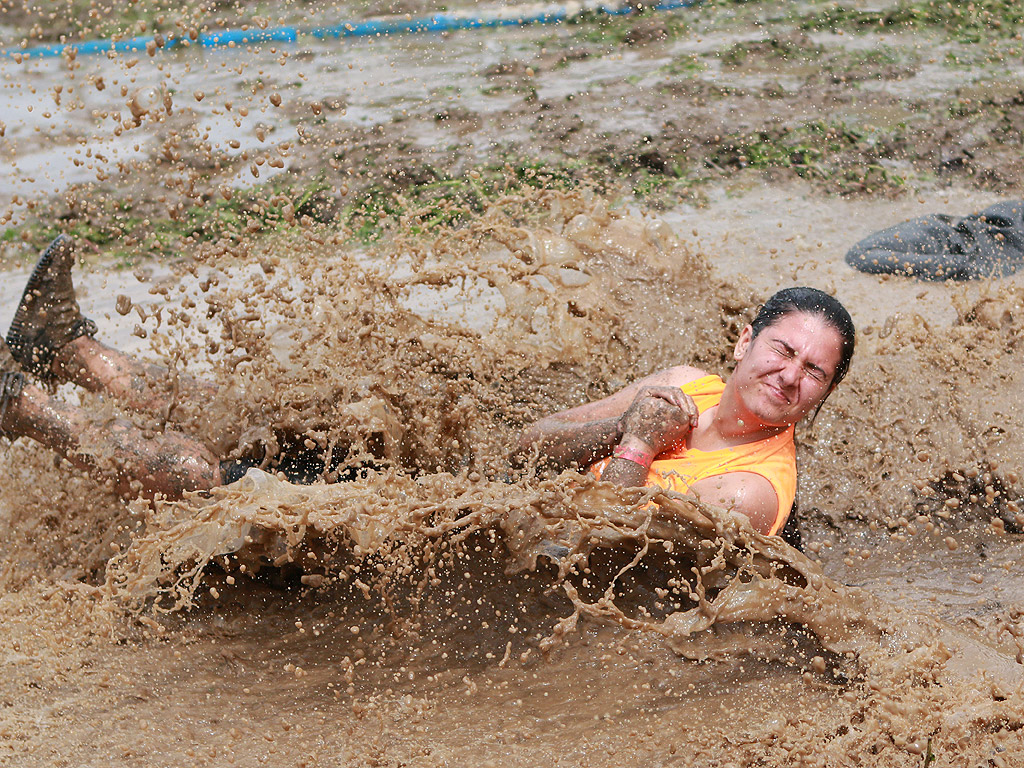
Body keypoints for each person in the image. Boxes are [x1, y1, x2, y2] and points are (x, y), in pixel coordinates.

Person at [513, 287, 855, 536]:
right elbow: (523, 450)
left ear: (828, 391)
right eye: (782, 350)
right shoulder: (685, 383)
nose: (790, 376)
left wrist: (639, 445)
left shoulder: (749, 492)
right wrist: (619, 427)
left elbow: (603, 550)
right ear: (744, 343)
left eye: (813, 371)